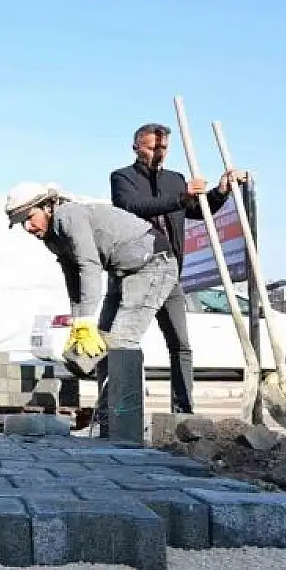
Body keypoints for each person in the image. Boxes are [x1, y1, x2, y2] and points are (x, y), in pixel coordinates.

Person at [5, 182, 180, 442]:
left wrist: (86, 320)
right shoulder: (51, 236)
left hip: (153, 264)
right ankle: (108, 424)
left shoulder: (68, 215)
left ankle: (127, 424)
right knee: (99, 345)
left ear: (46, 206)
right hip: (122, 272)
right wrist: (79, 323)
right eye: (22, 223)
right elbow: (73, 276)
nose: (28, 227)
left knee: (121, 344)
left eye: (30, 218)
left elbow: (88, 265)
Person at [109, 122, 246, 417]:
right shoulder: (123, 178)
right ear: (136, 147)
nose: (158, 153)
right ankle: (116, 413)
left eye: (163, 148)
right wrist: (182, 197)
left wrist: (219, 191)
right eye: (152, 147)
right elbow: (133, 206)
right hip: (136, 274)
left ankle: (183, 411)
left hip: (170, 274)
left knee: (181, 345)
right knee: (123, 342)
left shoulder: (175, 179)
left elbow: (196, 210)